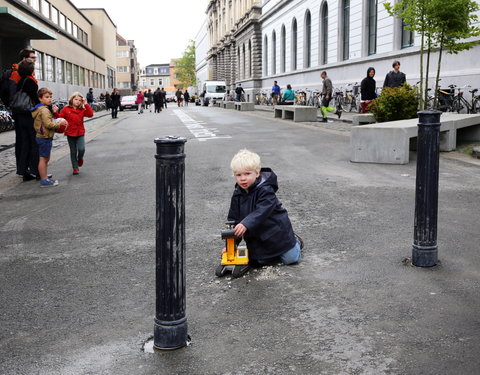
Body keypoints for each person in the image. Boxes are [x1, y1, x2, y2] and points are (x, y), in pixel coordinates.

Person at [226, 149, 303, 271]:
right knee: (259, 262)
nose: (243, 179)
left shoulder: (266, 190)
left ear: (257, 173)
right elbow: (233, 219)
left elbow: (263, 210)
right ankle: (268, 254)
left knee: (291, 259)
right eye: (238, 175)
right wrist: (232, 245)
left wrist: (246, 223)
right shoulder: (237, 195)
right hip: (258, 238)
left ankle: (295, 242)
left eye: (247, 174)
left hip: (277, 234)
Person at [31, 87, 68, 187]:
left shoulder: (44, 109)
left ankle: (44, 175)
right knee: (43, 158)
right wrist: (59, 123)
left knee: (45, 158)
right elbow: (48, 124)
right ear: (40, 98)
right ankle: (44, 180)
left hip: (44, 136)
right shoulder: (44, 111)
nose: (50, 99)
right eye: (47, 97)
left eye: (51, 97)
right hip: (44, 137)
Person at [12, 59, 41, 181]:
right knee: (34, 143)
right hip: (29, 116)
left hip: (20, 115)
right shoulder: (30, 81)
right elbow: (36, 99)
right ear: (31, 70)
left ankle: (24, 171)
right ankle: (37, 171)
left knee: (25, 144)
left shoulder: (21, 81)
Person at [57, 92, 94, 175]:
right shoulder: (66, 109)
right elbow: (60, 118)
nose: (77, 101)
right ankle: (75, 167)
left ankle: (80, 158)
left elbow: (90, 114)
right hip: (70, 132)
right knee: (73, 151)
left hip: (80, 132)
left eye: (79, 100)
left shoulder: (82, 109)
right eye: (75, 99)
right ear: (72, 99)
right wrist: (55, 112)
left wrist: (86, 104)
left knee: (81, 149)